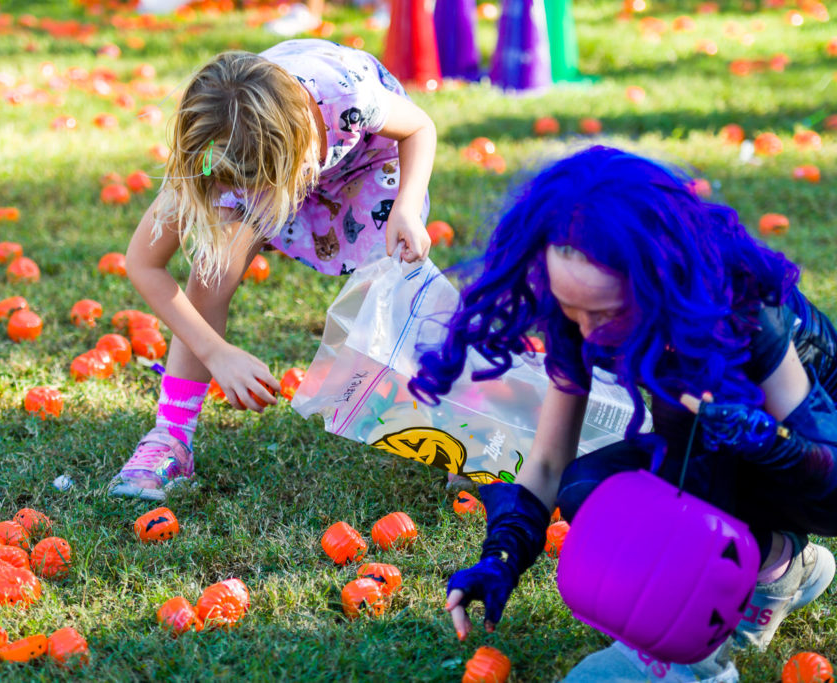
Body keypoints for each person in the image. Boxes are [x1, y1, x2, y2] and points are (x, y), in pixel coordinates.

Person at [411, 145, 837, 681]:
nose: (586, 333)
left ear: (658, 283)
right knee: (589, 488)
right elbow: (547, 462)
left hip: (803, 463)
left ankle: (695, 660)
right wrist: (501, 555)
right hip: (712, 443)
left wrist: (770, 442)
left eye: (605, 314)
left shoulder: (747, 311)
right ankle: (778, 565)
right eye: (570, 312)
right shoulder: (582, 311)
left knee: (692, 439)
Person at [109, 39, 435, 500]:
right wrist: (217, 351)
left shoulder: (349, 96)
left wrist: (405, 206)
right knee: (213, 269)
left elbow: (419, 127)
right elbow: (143, 263)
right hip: (267, 156)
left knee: (399, 273)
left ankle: (458, 425)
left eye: (259, 188)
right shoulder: (217, 144)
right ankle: (171, 437)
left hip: (363, 162)